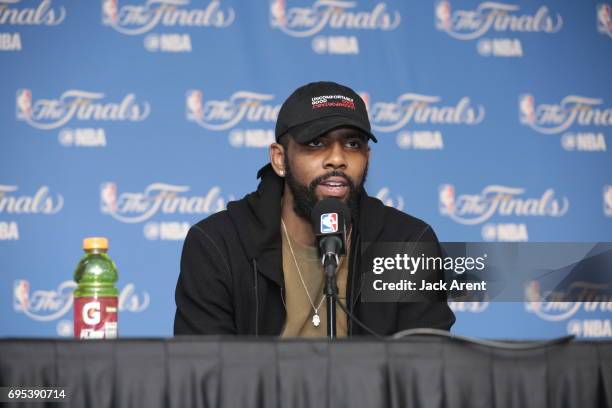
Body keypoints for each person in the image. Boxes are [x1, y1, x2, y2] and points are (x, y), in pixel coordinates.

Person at [174, 81, 455, 336]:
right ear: (280, 159)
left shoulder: (406, 243)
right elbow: (203, 373)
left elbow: (426, 371)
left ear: (367, 157)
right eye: (316, 143)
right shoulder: (219, 243)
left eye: (352, 144)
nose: (337, 159)